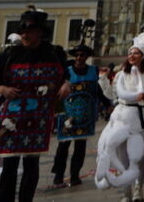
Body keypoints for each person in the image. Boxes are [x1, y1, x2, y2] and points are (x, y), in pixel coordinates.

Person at [0, 9, 70, 202]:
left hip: (37, 118)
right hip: (11, 116)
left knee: (32, 164)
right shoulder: (10, 55)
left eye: (29, 31)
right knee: (10, 164)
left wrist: (66, 83)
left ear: (40, 33)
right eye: (22, 31)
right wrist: (2, 89)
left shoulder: (53, 54)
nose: (24, 35)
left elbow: (64, 75)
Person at [95, 31, 144, 202]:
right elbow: (113, 95)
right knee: (122, 156)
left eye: (136, 52)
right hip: (124, 118)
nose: (131, 55)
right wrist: (103, 80)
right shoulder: (122, 73)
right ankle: (125, 190)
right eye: (130, 53)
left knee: (141, 156)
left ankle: (138, 188)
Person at [52, 44, 99, 188]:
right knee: (63, 146)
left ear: (87, 57)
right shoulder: (67, 72)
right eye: (77, 55)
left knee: (80, 147)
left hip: (85, 116)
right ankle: (58, 176)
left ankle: (75, 175)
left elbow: (97, 90)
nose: (79, 58)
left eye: (82, 55)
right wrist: (56, 112)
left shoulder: (94, 70)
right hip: (67, 115)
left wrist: (105, 105)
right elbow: (57, 93)